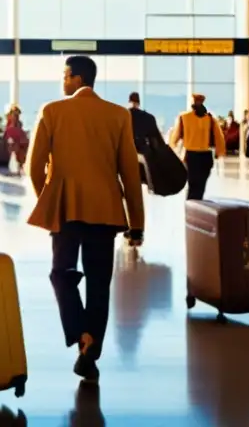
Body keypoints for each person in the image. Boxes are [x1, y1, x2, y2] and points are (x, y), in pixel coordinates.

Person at [25, 56, 144, 383]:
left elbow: (33, 169)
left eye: (65, 75)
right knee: (99, 282)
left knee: (60, 272)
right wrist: (137, 224)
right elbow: (130, 176)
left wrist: (48, 202)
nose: (63, 81)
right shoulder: (118, 115)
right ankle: (89, 353)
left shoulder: (52, 111)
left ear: (77, 78)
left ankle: (79, 330)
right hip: (106, 210)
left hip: (65, 208)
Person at [169, 93, 225, 200]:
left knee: (192, 184)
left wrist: (172, 148)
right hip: (206, 156)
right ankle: (197, 204)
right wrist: (219, 152)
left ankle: (191, 206)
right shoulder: (210, 118)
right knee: (201, 185)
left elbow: (175, 137)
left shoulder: (184, 117)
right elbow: (219, 137)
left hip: (190, 155)